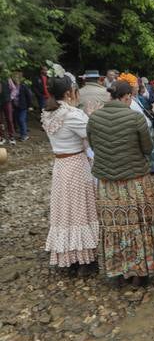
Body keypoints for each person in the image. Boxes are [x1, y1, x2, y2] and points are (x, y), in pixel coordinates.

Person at [87, 80, 154, 287]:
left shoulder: (94, 119)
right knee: (138, 226)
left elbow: (93, 145)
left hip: (107, 185)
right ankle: (139, 273)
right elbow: (147, 148)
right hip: (134, 182)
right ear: (128, 96)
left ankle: (117, 271)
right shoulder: (135, 118)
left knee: (113, 227)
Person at [41, 70, 98, 275]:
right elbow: (91, 134)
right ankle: (85, 259)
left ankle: (68, 256)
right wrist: (90, 115)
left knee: (65, 211)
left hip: (60, 166)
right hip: (76, 165)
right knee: (81, 209)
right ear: (68, 92)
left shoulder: (48, 113)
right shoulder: (72, 114)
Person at [120, 72, 154, 175]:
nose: (138, 88)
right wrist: (153, 109)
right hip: (143, 129)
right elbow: (140, 116)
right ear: (131, 88)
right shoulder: (131, 102)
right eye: (136, 86)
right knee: (148, 151)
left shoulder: (134, 99)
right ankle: (152, 170)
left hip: (146, 127)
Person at [12, 72, 33, 141]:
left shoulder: (24, 86)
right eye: (14, 77)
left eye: (17, 77)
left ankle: (24, 135)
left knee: (21, 120)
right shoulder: (12, 86)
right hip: (15, 106)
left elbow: (29, 96)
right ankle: (22, 134)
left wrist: (30, 105)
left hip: (23, 106)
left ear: (20, 79)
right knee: (18, 120)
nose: (15, 79)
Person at [0, 75, 16, 144]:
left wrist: (10, 97)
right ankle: (1, 137)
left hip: (7, 101)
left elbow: (14, 89)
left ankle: (11, 137)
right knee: (0, 121)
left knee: (9, 119)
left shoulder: (7, 78)